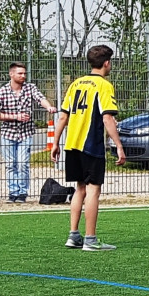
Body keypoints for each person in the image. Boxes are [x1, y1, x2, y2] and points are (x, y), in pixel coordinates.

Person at [55, 46, 126, 251]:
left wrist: (55, 143)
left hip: (72, 144)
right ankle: (91, 240)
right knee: (93, 190)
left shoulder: (76, 84)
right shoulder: (103, 85)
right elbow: (107, 118)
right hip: (91, 144)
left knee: (80, 188)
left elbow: (63, 116)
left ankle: (73, 236)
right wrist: (119, 146)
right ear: (106, 63)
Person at [0, 63, 55, 203]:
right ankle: (13, 192)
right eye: (20, 73)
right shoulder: (1, 92)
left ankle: (22, 192)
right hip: (8, 133)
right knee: (10, 163)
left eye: (24, 73)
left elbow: (40, 98)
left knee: (22, 163)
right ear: (11, 74)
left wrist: (49, 107)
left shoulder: (30, 88)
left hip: (25, 132)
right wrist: (16, 117)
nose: (23, 76)